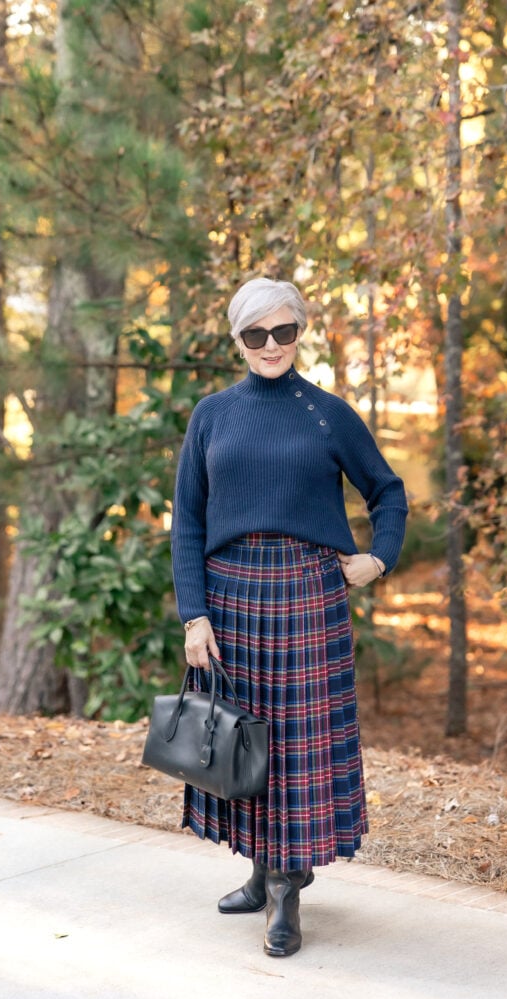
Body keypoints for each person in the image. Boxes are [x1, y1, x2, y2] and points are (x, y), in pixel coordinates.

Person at [170, 277, 408, 957]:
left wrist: (377, 558)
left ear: (300, 331)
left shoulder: (327, 413)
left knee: (295, 745)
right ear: (236, 339)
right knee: (243, 740)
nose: (270, 345)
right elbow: (187, 520)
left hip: (308, 595)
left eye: (283, 331)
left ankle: (284, 893)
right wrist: (194, 615)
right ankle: (257, 866)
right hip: (230, 595)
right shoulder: (211, 415)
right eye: (255, 334)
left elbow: (387, 492)